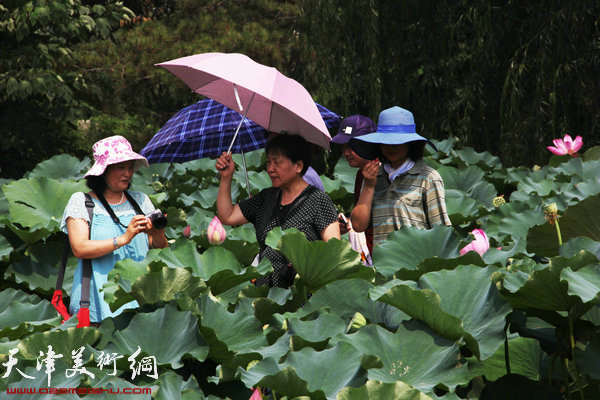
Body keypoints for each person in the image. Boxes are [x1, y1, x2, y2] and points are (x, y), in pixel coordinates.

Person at [60, 135, 168, 325]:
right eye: (120, 167)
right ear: (103, 171)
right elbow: (80, 248)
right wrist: (123, 238)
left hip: (140, 306)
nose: (128, 173)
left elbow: (161, 252)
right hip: (95, 306)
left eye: (130, 167)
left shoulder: (141, 201)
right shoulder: (82, 202)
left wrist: (158, 233)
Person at [216, 133, 340, 288]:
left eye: (277, 163)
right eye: (268, 162)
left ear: (298, 166)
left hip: (300, 293)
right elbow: (227, 216)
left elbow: (334, 251)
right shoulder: (266, 197)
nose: (270, 169)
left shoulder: (318, 200)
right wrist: (226, 178)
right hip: (264, 293)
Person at [349, 106, 451, 246]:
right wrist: (369, 186)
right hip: (384, 264)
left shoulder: (428, 177)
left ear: (412, 144)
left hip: (417, 262)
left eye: (399, 142)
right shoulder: (372, 177)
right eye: (386, 142)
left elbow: (442, 232)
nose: (392, 147)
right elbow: (358, 226)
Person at [330, 115, 377, 261]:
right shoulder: (360, 175)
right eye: (343, 147)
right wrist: (348, 223)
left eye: (351, 146)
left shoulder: (385, 174)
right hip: (367, 252)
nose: (346, 153)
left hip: (383, 254)